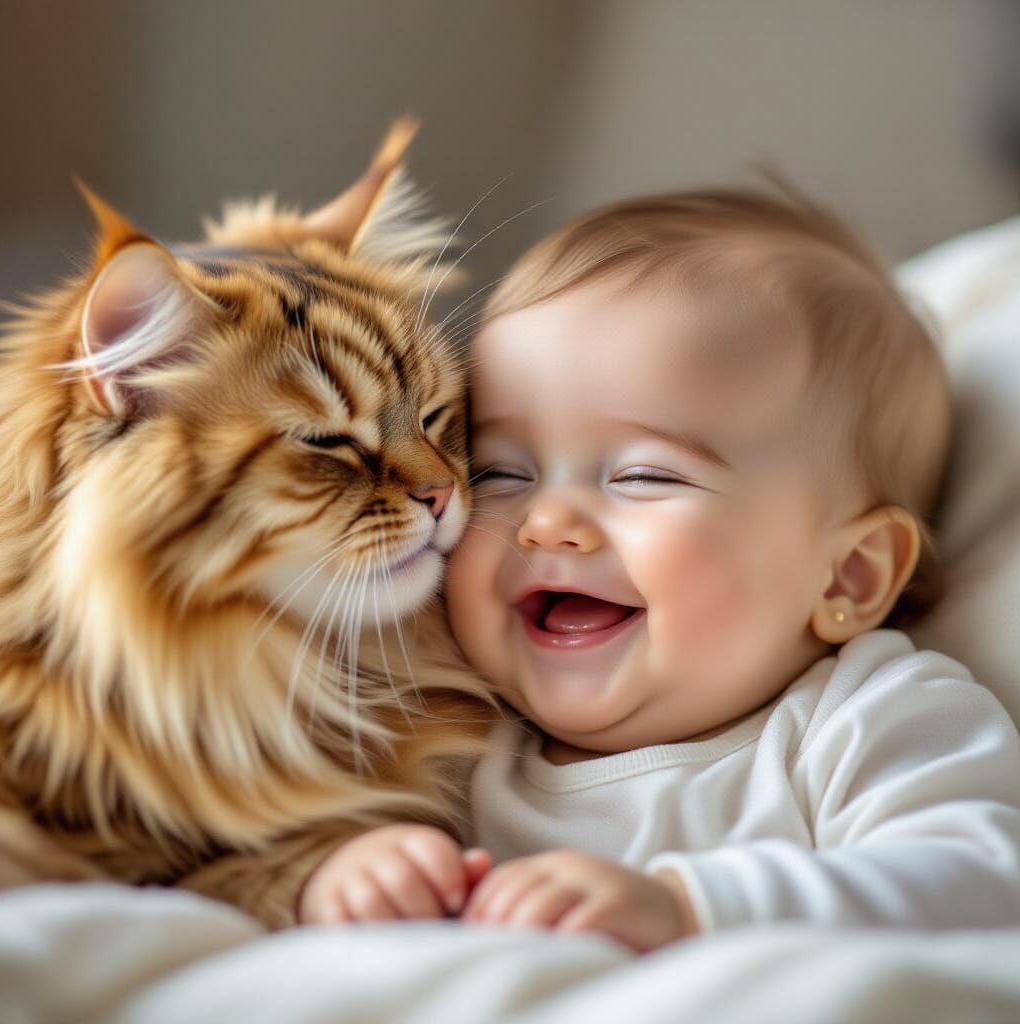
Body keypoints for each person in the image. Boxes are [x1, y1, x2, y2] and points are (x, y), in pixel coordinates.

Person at [297, 186, 1020, 952]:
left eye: (643, 476)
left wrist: (690, 905)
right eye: (501, 473)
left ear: (850, 578)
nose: (547, 523)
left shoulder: (863, 718)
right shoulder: (455, 730)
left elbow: (985, 879)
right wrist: (355, 870)